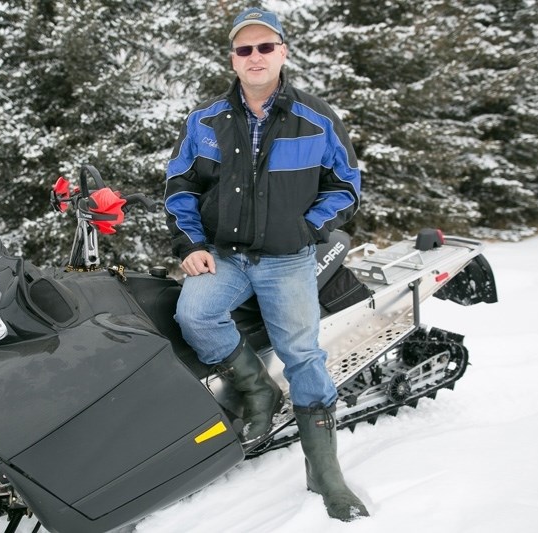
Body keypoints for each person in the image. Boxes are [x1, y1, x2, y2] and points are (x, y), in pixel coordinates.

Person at [163, 7, 368, 522]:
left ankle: (326, 475)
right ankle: (257, 391)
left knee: (302, 354)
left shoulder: (316, 118)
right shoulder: (205, 121)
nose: (255, 57)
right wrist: (190, 245)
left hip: (287, 258)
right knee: (194, 315)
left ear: (283, 53)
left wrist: (305, 229)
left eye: (265, 47)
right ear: (232, 59)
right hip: (226, 255)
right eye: (244, 49)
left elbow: (345, 187)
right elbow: (180, 187)